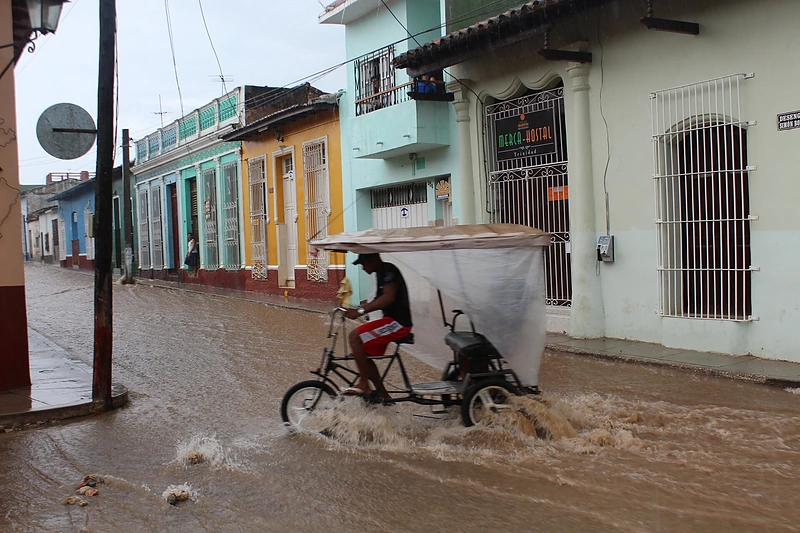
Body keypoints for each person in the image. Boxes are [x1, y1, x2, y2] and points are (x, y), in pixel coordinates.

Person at [342, 253, 413, 398]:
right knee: (362, 354)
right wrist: (357, 308)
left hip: (398, 324)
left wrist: (360, 311)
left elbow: (387, 298)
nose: (362, 268)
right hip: (390, 321)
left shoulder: (389, 272)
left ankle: (364, 384)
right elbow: (377, 300)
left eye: (363, 263)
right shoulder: (381, 273)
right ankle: (384, 397)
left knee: (354, 337)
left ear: (373, 259)